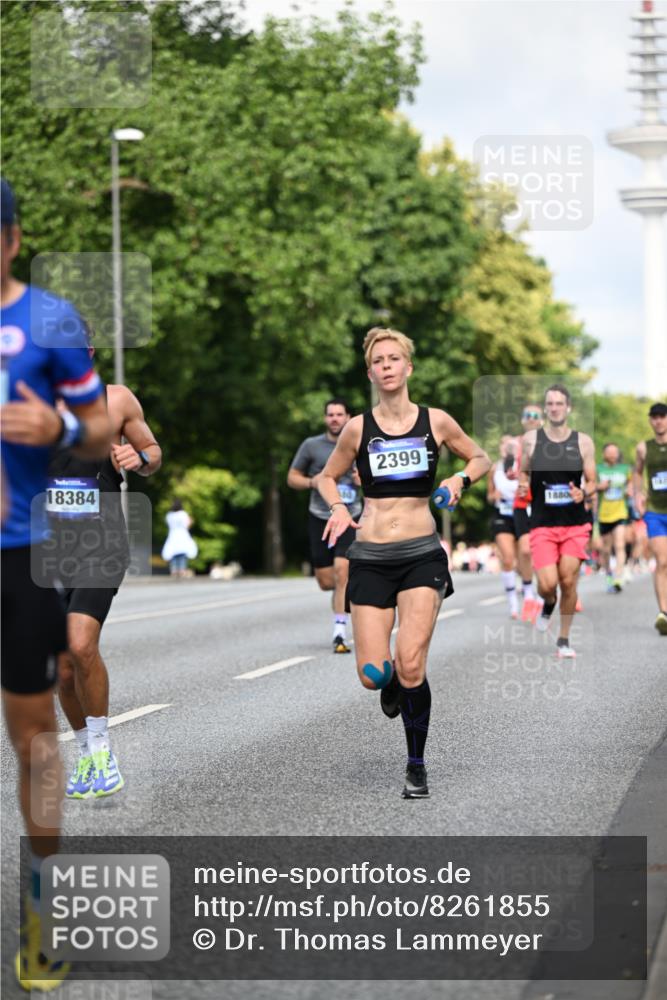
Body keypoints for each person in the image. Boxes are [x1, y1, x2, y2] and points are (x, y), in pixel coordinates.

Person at [1, 177, 110, 991]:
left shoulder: (51, 321)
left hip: (18, 556)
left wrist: (63, 426)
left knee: (33, 735)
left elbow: (103, 426)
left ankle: (43, 906)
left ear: (10, 238)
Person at [319, 328, 490, 798]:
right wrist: (338, 507)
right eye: (379, 361)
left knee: (412, 663)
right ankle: (392, 681)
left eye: (394, 358)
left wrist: (458, 480)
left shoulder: (436, 421)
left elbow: (480, 457)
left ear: (408, 367)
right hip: (370, 556)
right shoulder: (357, 428)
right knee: (373, 675)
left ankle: (416, 765)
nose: (387, 366)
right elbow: (327, 477)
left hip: (420, 554)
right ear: (370, 373)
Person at [50, 382, 161, 801]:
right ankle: (85, 752)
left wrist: (141, 458)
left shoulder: (117, 399)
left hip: (101, 543)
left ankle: (102, 751)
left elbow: (153, 454)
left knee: (80, 645)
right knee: (62, 669)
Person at [518, 384, 596, 657]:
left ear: (568, 407)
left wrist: (584, 491)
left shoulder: (583, 441)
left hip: (575, 524)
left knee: (568, 581)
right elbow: (523, 472)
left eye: (559, 403)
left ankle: (563, 640)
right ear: (545, 408)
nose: (554, 408)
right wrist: (523, 484)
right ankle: (548, 602)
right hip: (542, 523)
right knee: (547, 584)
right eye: (550, 404)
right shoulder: (531, 440)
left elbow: (592, 481)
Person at [288, 399, 362, 653]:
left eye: (339, 414)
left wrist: (363, 480)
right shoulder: (312, 446)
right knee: (326, 581)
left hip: (350, 516)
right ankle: (342, 592)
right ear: (325, 419)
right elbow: (292, 478)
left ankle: (339, 633)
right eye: (330, 415)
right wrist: (313, 482)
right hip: (320, 516)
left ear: (348, 417)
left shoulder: (359, 442)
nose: (335, 419)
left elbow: (379, 477)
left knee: (343, 571)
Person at [633, 401, 667, 635]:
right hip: (655, 511)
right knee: (662, 561)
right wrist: (637, 494)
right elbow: (637, 472)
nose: (659, 421)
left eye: (662, 416)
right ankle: (664, 613)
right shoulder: (643, 448)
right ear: (650, 420)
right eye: (654, 417)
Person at [511, 403, 543, 621]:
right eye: (527, 415)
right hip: (522, 501)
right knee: (524, 550)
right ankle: (529, 594)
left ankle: (543, 594)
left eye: (535, 415)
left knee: (541, 550)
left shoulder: (548, 442)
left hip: (542, 502)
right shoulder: (516, 443)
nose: (531, 418)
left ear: (542, 420)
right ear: (523, 419)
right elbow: (509, 466)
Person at [487, 434, 520, 617]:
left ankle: (530, 593)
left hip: (522, 515)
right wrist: (494, 496)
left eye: (510, 445)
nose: (507, 449)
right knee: (508, 559)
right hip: (502, 516)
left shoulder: (523, 467)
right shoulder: (495, 468)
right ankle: (513, 603)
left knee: (523, 560)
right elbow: (489, 496)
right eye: (503, 445)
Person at [596, 442, 631, 592]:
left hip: (620, 512)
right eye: (609, 452)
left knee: (619, 545)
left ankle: (618, 576)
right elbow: (590, 487)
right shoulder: (598, 469)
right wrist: (600, 487)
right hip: (603, 514)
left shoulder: (625, 469)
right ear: (604, 454)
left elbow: (631, 484)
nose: (612, 455)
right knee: (605, 549)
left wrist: (630, 490)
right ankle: (609, 575)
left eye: (614, 452)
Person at [162, 499, 196, 577]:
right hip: (182, 535)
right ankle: (182, 570)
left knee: (173, 554)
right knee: (182, 555)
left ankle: (174, 570)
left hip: (172, 536)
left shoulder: (169, 515)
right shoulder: (183, 514)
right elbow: (187, 525)